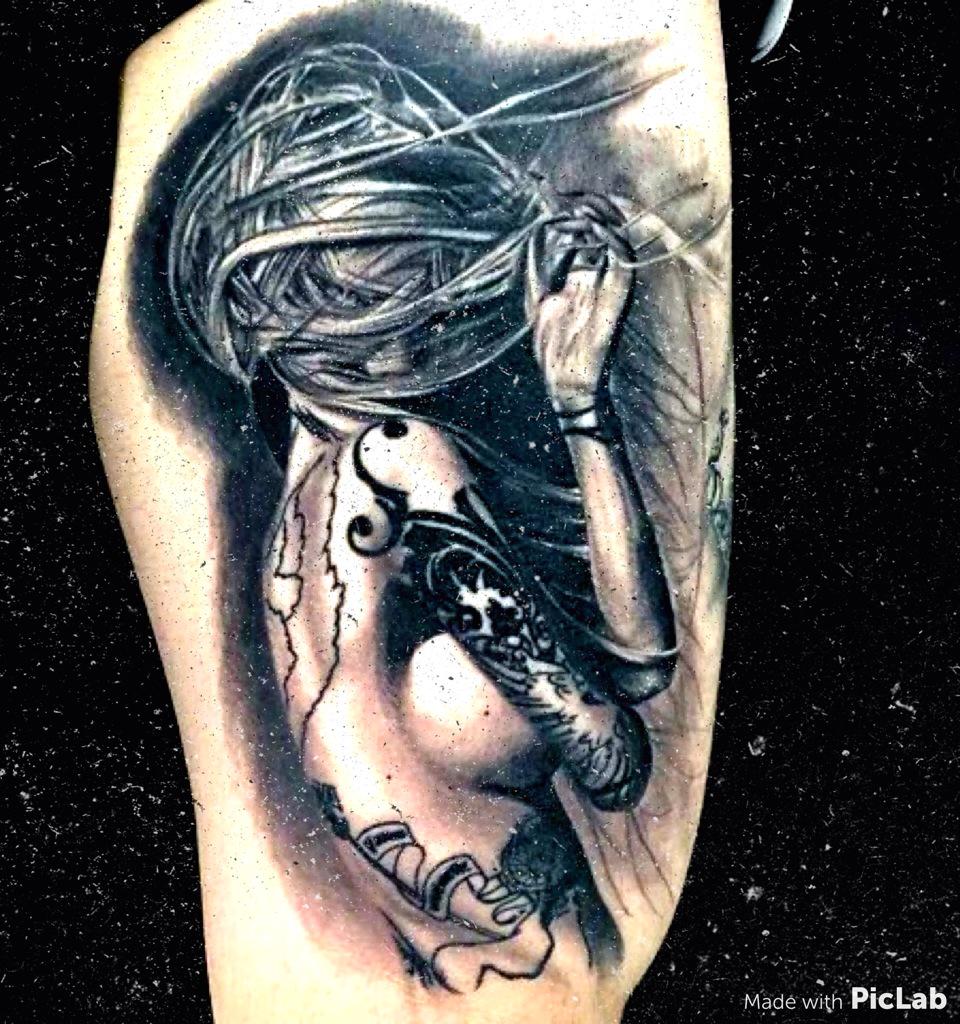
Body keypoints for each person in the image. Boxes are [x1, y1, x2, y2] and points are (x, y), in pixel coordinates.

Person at [91, 2, 731, 1020]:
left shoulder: (295, 540)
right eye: (416, 283)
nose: (443, 312)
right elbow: (614, 757)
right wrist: (580, 403)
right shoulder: (400, 459)